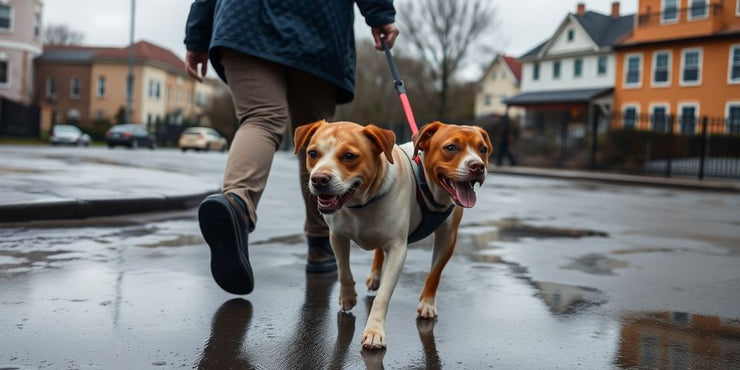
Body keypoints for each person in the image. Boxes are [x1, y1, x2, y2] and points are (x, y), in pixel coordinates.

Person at [184, 0, 399, 295]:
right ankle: (320, 246)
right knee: (317, 134)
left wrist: (197, 37)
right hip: (320, 24)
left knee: (261, 119)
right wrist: (380, 16)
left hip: (243, 19)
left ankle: (237, 205)